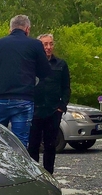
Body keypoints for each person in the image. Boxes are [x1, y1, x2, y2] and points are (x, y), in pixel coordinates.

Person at [0, 15, 52, 147]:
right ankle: (17, 167)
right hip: (23, 98)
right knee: (20, 142)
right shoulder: (35, 45)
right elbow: (45, 72)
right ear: (27, 29)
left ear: (10, 29)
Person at [26, 34, 71, 174]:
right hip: (34, 111)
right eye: (45, 44)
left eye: (51, 44)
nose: (48, 47)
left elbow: (66, 87)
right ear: (40, 46)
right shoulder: (31, 63)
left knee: (50, 146)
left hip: (53, 111)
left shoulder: (61, 64)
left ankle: (48, 176)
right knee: (33, 146)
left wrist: (61, 106)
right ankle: (35, 177)